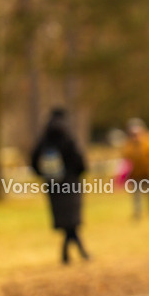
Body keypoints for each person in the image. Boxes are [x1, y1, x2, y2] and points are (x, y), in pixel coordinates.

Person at [30, 108, 89, 264]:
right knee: (72, 220)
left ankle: (68, 254)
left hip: (53, 185)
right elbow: (79, 160)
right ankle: (76, 253)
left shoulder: (44, 138)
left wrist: (43, 176)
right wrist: (78, 173)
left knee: (66, 221)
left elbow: (33, 160)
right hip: (70, 183)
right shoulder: (68, 136)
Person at [122, 118, 149, 219]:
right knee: (136, 195)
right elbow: (126, 157)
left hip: (148, 172)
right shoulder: (129, 145)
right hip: (135, 174)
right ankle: (137, 213)